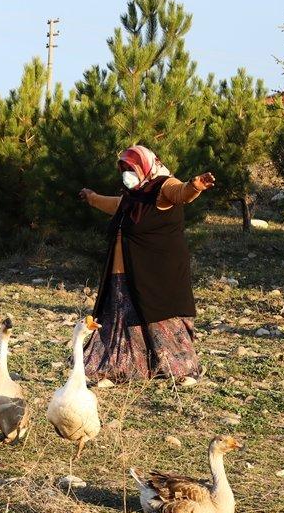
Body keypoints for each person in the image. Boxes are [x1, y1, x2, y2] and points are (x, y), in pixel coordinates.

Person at [78, 145, 215, 383]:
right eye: (124, 169)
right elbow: (114, 205)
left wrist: (194, 187)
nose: (126, 174)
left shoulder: (163, 186)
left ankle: (178, 370)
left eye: (131, 168)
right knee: (119, 320)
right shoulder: (134, 196)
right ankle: (120, 367)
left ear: (145, 166)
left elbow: (180, 192)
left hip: (157, 273)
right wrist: (91, 198)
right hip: (123, 272)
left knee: (160, 319)